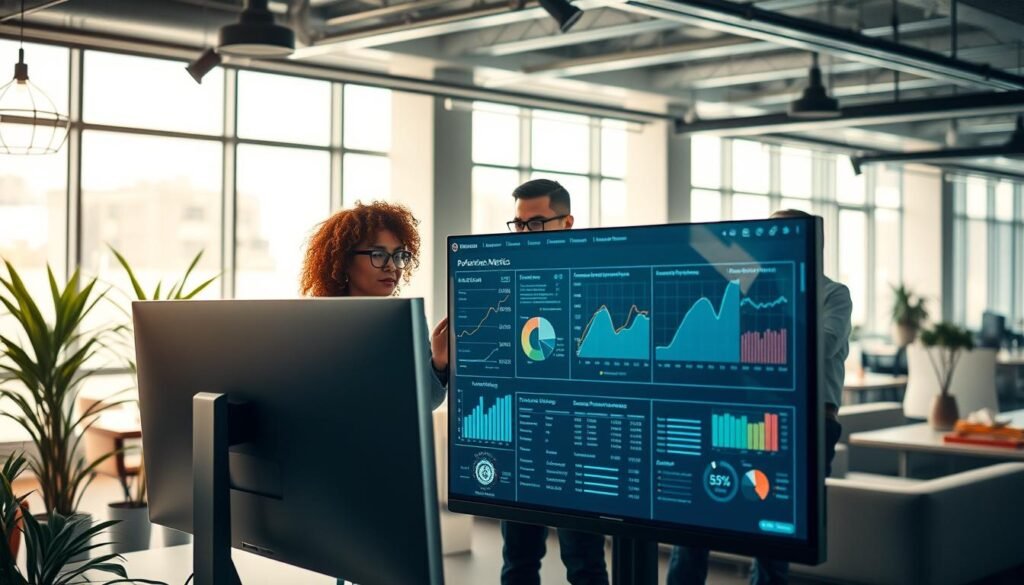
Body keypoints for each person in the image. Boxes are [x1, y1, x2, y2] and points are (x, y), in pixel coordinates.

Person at [666, 208, 852, 585]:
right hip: (743, 419)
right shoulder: (745, 289)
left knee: (774, 538)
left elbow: (822, 346)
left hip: (806, 425)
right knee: (695, 522)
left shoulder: (833, 294)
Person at [500, 179, 609, 585]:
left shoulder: (596, 281)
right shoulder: (507, 280)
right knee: (518, 560)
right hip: (525, 441)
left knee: (584, 562)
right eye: (518, 224)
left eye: (536, 223)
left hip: (577, 442)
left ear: (567, 223)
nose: (525, 234)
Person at [299, 200, 449, 409]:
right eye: (378, 255)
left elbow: (425, 402)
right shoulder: (314, 322)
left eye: (398, 255)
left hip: (389, 438)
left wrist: (439, 361)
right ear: (344, 261)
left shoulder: (407, 321)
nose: (391, 266)